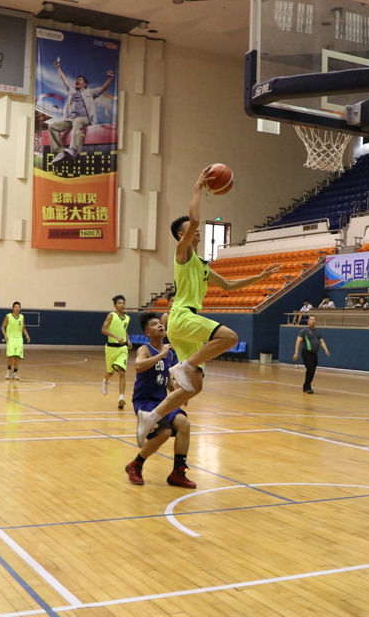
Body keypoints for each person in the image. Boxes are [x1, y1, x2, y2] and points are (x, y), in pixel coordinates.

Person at [134, 166, 281, 447]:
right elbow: (194, 219)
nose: (196, 230)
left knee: (194, 386)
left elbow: (229, 286)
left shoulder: (201, 265)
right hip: (181, 316)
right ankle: (185, 365)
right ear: (182, 235)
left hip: (184, 326)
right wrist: (198, 187)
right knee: (230, 338)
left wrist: (260, 277)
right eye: (190, 230)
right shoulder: (183, 254)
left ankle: (151, 417)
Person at [124, 312, 195, 489]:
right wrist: (161, 354)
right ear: (147, 332)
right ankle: (136, 464)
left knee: (184, 424)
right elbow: (138, 365)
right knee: (163, 433)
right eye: (154, 324)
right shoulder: (145, 349)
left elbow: (167, 379)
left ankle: (178, 473)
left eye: (160, 323)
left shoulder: (169, 353)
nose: (160, 325)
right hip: (145, 401)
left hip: (162, 401)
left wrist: (177, 393)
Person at [49, 58, 115, 165]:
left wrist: (110, 78)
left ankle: (73, 150)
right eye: (77, 79)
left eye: (80, 79)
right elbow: (64, 80)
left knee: (78, 121)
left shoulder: (90, 92)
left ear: (85, 84)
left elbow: (103, 88)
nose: (77, 81)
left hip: (85, 119)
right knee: (52, 126)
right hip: (70, 119)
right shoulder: (71, 91)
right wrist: (57, 68)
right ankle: (59, 151)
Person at [101, 294, 132, 409]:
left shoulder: (127, 318)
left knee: (122, 372)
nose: (122, 305)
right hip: (111, 348)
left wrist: (128, 340)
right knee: (110, 372)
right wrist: (116, 337)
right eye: (119, 303)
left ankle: (121, 397)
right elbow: (103, 330)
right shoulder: (111, 315)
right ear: (115, 305)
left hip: (122, 348)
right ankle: (106, 380)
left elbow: (124, 330)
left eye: (123, 303)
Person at [292, 314, 330, 394]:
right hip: (306, 352)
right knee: (310, 368)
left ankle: (306, 385)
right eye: (311, 320)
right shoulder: (304, 331)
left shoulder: (318, 332)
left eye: (314, 320)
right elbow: (298, 341)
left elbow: (321, 341)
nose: (313, 321)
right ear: (308, 321)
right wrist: (296, 353)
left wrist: (326, 349)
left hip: (314, 353)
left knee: (312, 370)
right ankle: (308, 387)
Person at [2, 301, 31, 380]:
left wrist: (27, 335)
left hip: (19, 339)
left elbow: (23, 328)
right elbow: (2, 327)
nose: (17, 308)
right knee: (11, 356)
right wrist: (5, 335)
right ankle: (8, 371)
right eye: (16, 307)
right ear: (13, 308)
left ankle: (15, 373)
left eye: (19, 307)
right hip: (10, 339)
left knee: (18, 356)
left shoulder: (22, 317)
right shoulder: (8, 316)